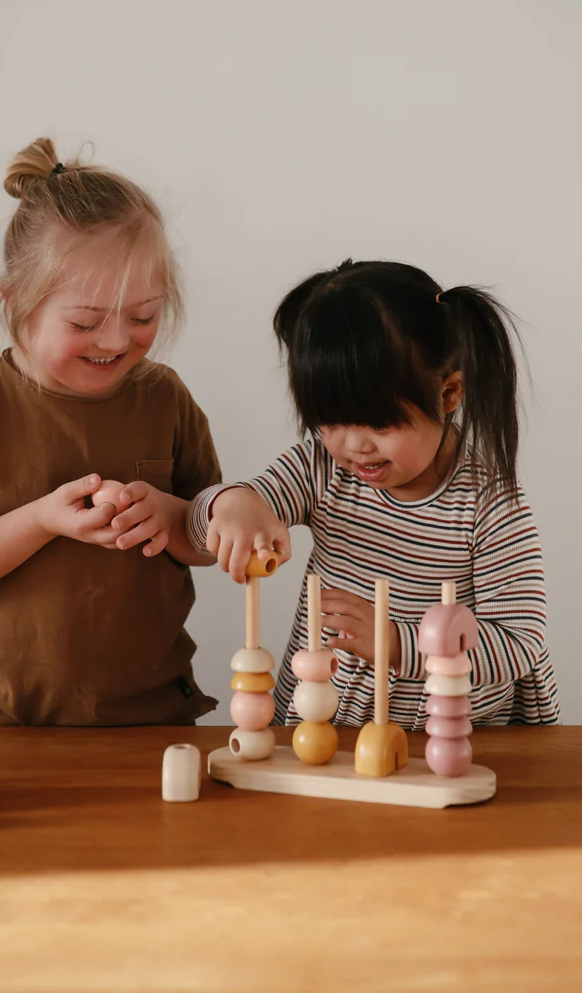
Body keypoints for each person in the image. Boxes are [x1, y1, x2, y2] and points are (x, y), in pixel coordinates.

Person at [0, 138, 219, 726]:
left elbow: (209, 540)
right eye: (85, 322)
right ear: (14, 302)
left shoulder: (165, 399)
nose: (117, 341)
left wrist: (172, 517)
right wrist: (43, 520)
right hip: (6, 720)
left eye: (144, 316)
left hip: (154, 718)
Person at [188, 259, 559, 727]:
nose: (354, 446)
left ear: (448, 394)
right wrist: (230, 503)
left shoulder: (487, 503)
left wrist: (398, 643)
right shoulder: (320, 469)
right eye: (331, 421)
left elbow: (520, 643)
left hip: (453, 742)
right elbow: (198, 521)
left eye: (379, 423)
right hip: (329, 734)